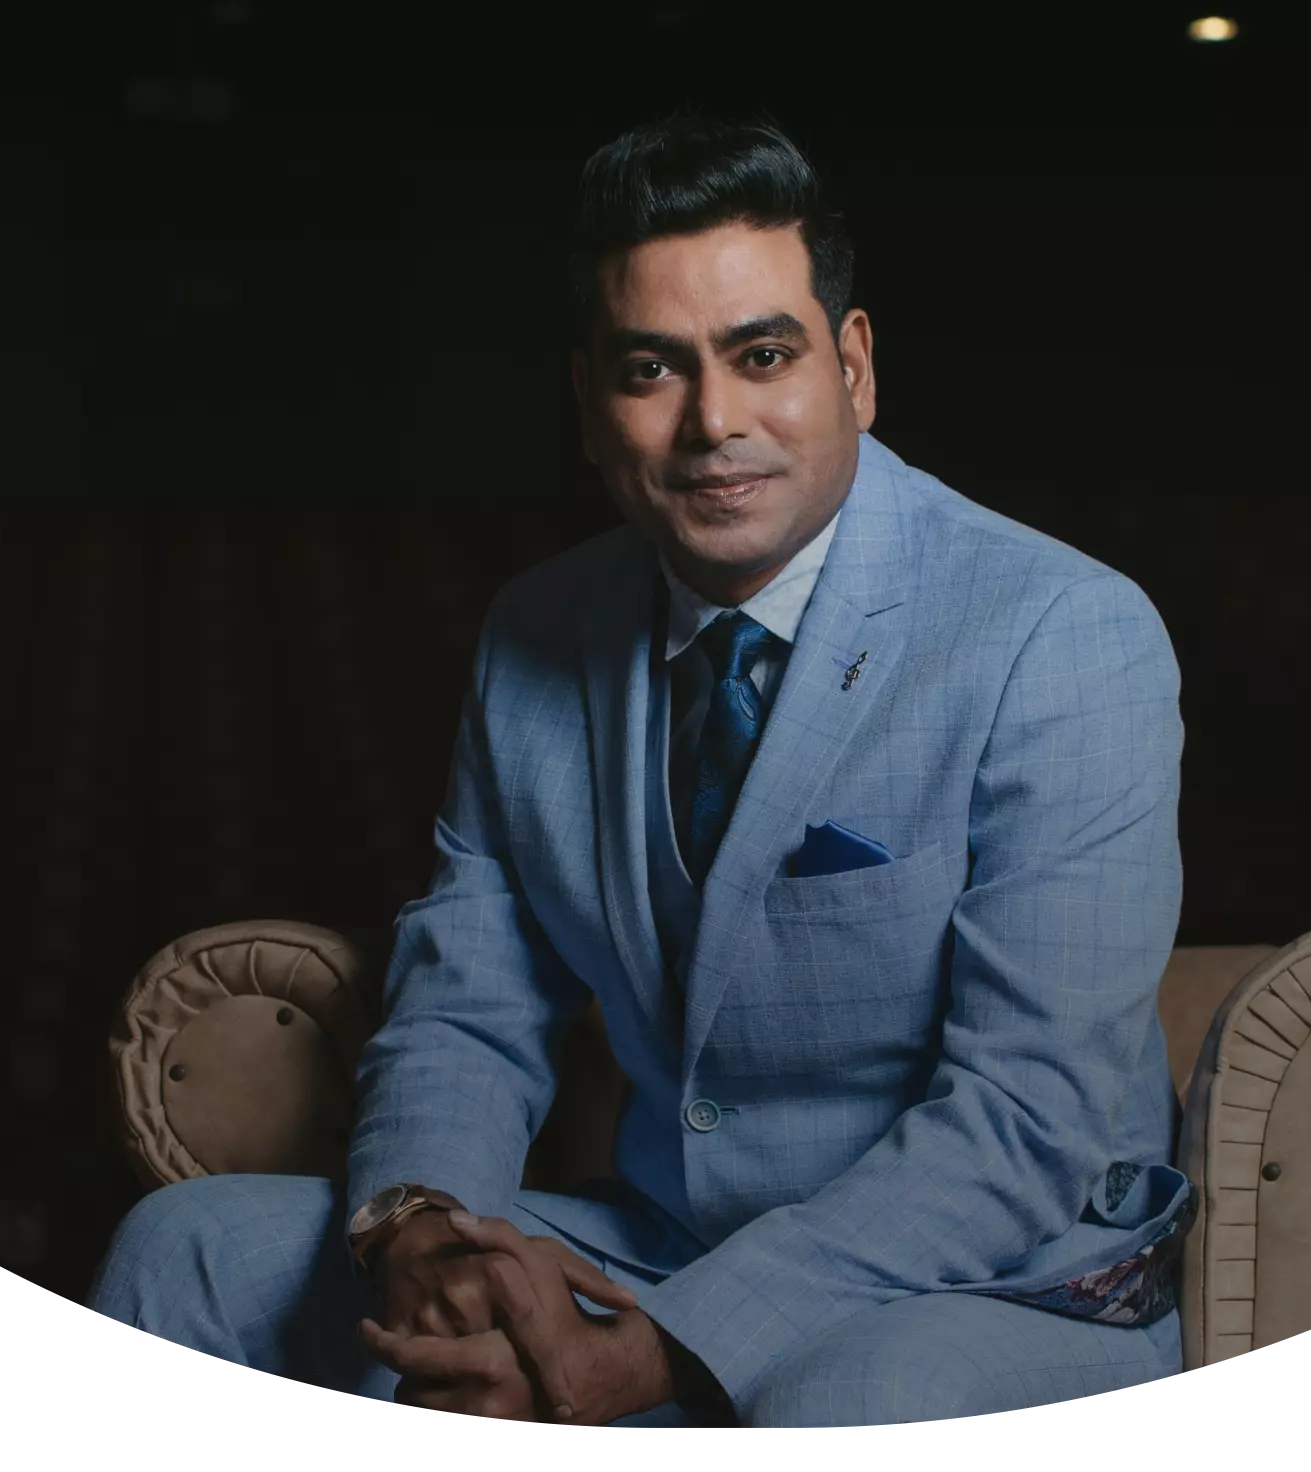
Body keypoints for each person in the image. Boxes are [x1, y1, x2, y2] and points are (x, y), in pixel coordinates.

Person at [87, 109, 1193, 1430]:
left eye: (763, 356)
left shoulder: (1060, 633)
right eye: (652, 368)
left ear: (853, 367)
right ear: (588, 402)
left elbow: (1023, 1122)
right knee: (188, 1255)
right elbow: (468, 1008)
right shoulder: (538, 630)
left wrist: (653, 1352)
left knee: (844, 1398)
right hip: (668, 1241)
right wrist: (425, 1229)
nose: (713, 422)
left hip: (1006, 1279)